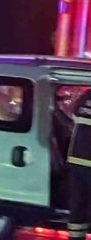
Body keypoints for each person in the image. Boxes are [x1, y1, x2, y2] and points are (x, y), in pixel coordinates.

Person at [66, 89, 91, 239]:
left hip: (77, 159)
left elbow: (74, 116)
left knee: (78, 203)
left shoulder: (87, 95)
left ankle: (75, 237)